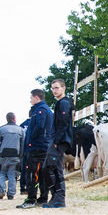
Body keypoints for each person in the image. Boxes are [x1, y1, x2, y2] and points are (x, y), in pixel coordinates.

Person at [41, 78, 73, 208]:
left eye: (57, 88)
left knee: (50, 168)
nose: (54, 91)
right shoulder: (61, 103)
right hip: (58, 140)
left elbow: (63, 122)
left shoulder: (64, 103)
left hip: (60, 140)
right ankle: (56, 198)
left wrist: (56, 140)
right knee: (52, 168)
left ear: (63, 88)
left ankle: (58, 198)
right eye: (52, 88)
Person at [18, 88, 51, 209]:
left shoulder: (40, 110)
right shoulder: (46, 109)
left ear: (36, 97)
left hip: (37, 147)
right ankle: (43, 198)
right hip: (44, 146)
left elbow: (39, 126)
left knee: (32, 173)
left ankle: (31, 199)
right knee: (42, 173)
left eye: (31, 98)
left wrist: (31, 139)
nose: (30, 100)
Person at [0, 112, 23, 200]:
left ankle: (2, 190)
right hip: (15, 155)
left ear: (7, 119)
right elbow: (23, 144)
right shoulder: (20, 130)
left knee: (2, 173)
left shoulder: (1, 129)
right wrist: (20, 156)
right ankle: (11, 194)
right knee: (12, 175)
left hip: (3, 155)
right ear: (14, 119)